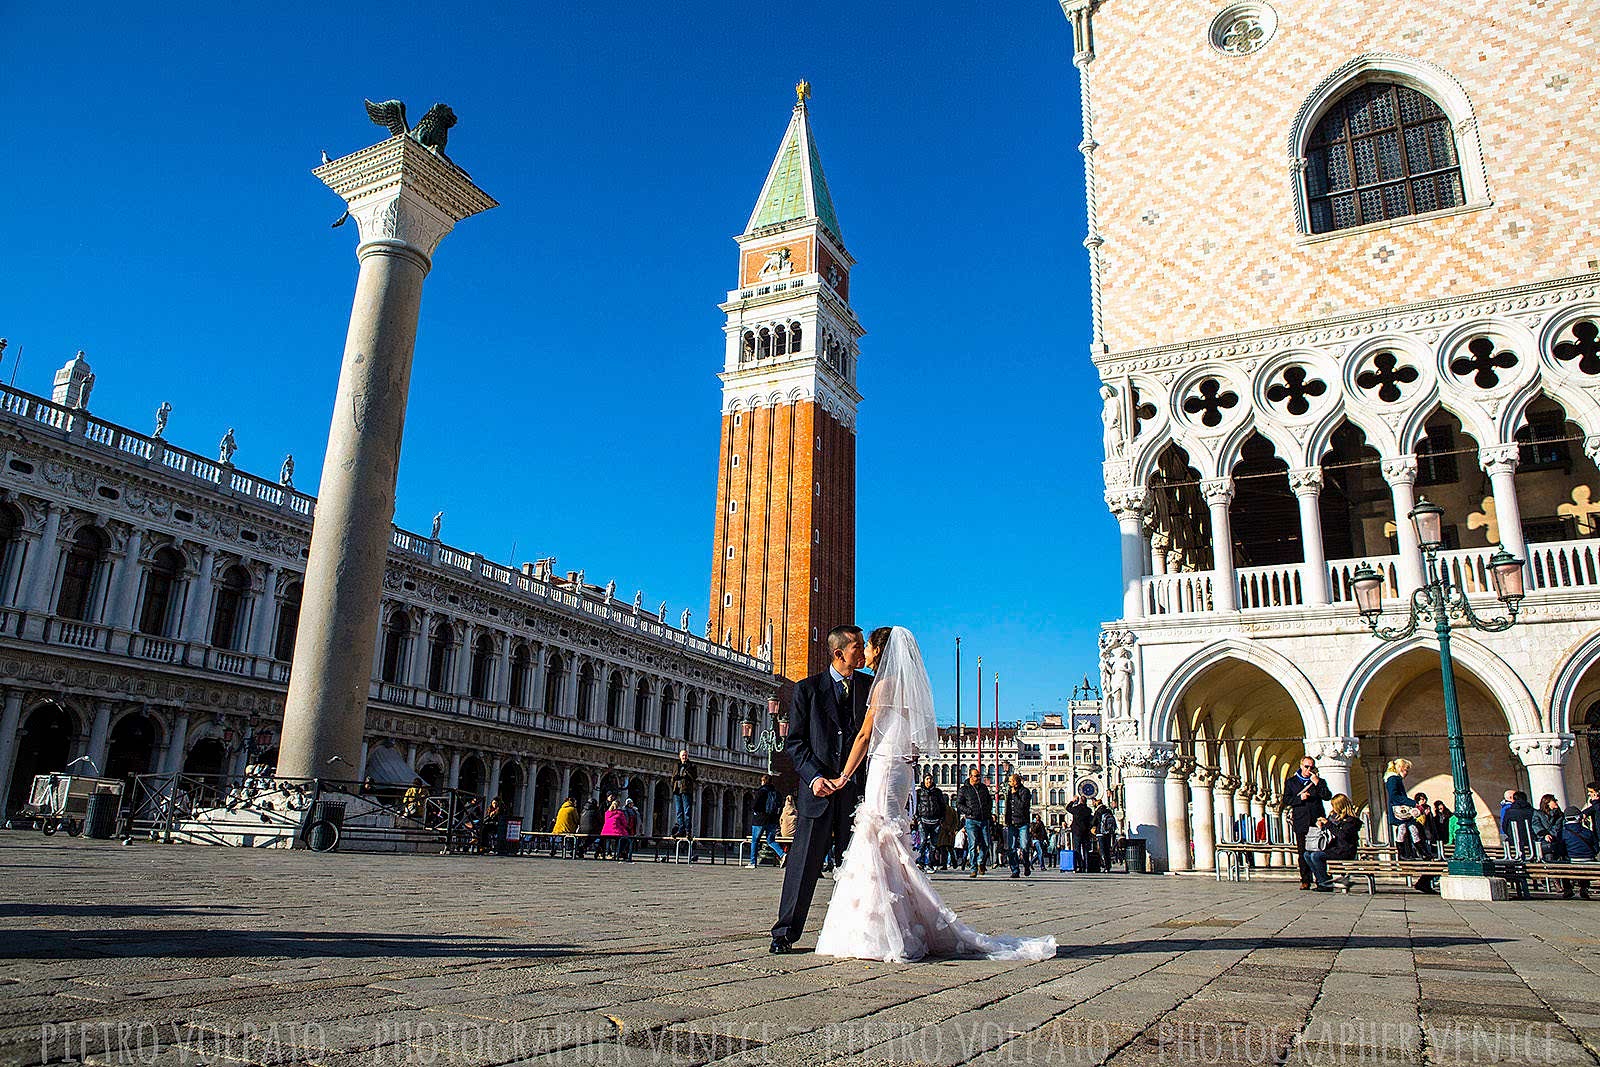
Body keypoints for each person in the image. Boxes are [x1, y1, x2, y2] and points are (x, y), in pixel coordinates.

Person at [812, 626, 1057, 963]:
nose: (864, 652)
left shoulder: (883, 686)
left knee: (879, 840)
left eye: (867, 646)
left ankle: (881, 930)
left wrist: (842, 776)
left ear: (880, 650)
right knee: (890, 843)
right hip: (901, 772)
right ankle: (898, 922)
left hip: (884, 770)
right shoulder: (907, 690)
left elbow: (865, 737)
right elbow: (914, 740)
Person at [769, 625, 874, 954]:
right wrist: (814, 777)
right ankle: (784, 932)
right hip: (817, 792)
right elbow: (795, 743)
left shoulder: (869, 687)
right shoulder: (806, 690)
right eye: (858, 646)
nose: (863, 651)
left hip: (854, 793)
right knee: (802, 866)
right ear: (839, 653)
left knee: (857, 867)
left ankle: (855, 933)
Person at [1284, 755, 1333, 890]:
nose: (1309, 770)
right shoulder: (1292, 782)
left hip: (1316, 821)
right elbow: (1286, 800)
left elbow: (1327, 796)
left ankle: (1321, 878)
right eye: (1306, 767)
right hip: (1301, 821)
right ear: (1301, 766)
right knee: (1303, 852)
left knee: (1318, 850)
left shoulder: (1319, 781)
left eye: (1312, 767)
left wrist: (1317, 782)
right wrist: (1300, 798)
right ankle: (1305, 879)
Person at [956, 768, 994, 879]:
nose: (978, 778)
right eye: (976, 776)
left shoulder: (983, 788)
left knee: (986, 843)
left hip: (984, 819)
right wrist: (969, 811)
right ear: (970, 776)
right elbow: (959, 804)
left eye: (979, 776)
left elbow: (989, 801)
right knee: (972, 844)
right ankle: (973, 869)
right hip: (971, 819)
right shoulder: (964, 789)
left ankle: (980, 862)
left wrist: (988, 811)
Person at [749, 774, 786, 868]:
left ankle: (753, 862)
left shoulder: (761, 791)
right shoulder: (776, 792)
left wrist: (755, 811)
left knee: (755, 840)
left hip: (760, 820)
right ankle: (782, 854)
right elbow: (780, 806)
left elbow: (754, 804)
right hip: (772, 820)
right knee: (770, 840)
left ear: (763, 781)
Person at [1560, 805, 1596, 899]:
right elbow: (1596, 848)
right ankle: (1584, 888)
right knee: (1585, 865)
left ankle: (1568, 889)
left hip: (1572, 861)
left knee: (1562, 863)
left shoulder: (1562, 833)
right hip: (1589, 861)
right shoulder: (1587, 832)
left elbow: (1561, 850)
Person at [1002, 774, 1034, 878]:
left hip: (1022, 822)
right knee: (1011, 848)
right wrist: (1006, 819)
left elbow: (1023, 806)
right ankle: (1015, 869)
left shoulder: (1025, 792)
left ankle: (1026, 864)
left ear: (1016, 782)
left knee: (1024, 847)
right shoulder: (1009, 792)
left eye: (1011, 781)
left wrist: (1015, 795)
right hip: (1012, 822)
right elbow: (1007, 807)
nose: (1009, 783)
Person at [914, 773, 947, 870]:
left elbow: (942, 806)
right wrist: (918, 818)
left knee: (934, 844)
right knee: (923, 842)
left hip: (936, 821)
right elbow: (915, 805)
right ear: (924, 780)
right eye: (927, 779)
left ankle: (930, 863)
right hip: (924, 820)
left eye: (930, 779)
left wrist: (942, 818)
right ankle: (920, 862)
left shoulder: (937, 792)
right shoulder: (919, 792)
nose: (929, 781)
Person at [1501, 790, 1537, 859]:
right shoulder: (1532, 811)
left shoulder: (1509, 811)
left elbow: (1504, 825)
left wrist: (1510, 834)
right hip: (1531, 840)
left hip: (1514, 839)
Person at [1533, 794, 1566, 865]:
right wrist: (1545, 834)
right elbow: (1536, 825)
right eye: (1554, 800)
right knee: (1550, 860)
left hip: (1559, 841)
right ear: (1547, 803)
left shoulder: (1560, 814)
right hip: (1547, 843)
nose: (1556, 802)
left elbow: (1560, 827)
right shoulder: (1538, 813)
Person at [670, 751, 697, 837]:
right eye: (682, 755)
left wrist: (686, 774)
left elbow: (694, 777)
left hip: (686, 790)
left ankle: (688, 831)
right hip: (677, 790)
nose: (684, 757)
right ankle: (681, 829)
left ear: (687, 756)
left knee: (687, 811)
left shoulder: (691, 766)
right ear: (680, 756)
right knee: (679, 812)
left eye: (685, 755)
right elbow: (673, 777)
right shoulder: (676, 765)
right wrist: (675, 779)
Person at [1067, 794, 1094, 872]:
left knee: (1077, 849)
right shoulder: (1088, 810)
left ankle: (1080, 866)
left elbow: (1068, 808)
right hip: (1085, 832)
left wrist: (1073, 801)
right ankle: (1086, 866)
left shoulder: (1076, 809)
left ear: (1079, 801)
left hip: (1077, 832)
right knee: (1086, 850)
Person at [1092, 797, 1118, 872]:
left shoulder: (1098, 811)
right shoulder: (1108, 811)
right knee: (1107, 849)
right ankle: (1109, 866)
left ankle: (1105, 866)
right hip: (1108, 833)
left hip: (1100, 833)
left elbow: (1093, 822)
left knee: (1102, 850)